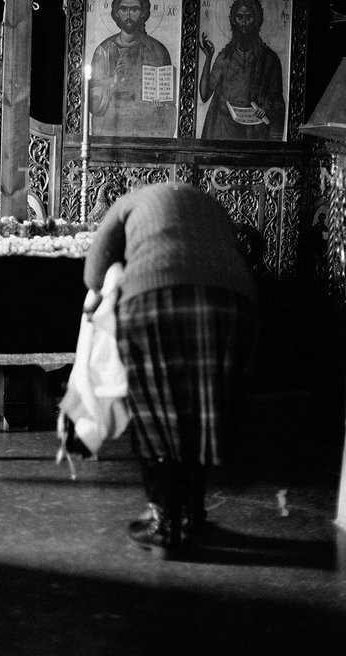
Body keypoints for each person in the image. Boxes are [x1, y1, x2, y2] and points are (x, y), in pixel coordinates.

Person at [83, 182, 258, 559]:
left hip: (154, 295)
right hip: (234, 302)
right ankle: (192, 516)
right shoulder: (211, 204)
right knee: (202, 414)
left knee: (158, 415)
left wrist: (102, 288)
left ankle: (165, 523)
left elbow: (95, 271)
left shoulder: (127, 203)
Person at [90, 0, 176, 137]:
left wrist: (162, 102)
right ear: (116, 12)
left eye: (134, 9)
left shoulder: (157, 50)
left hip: (146, 127)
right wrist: (112, 83)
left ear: (143, 13)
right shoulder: (103, 51)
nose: (128, 14)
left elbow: (169, 103)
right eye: (124, 9)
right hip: (112, 128)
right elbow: (92, 102)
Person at [199, 0, 286, 140]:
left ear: (257, 21)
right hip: (224, 128)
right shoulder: (225, 57)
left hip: (254, 131)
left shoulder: (269, 59)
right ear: (233, 21)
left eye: (249, 17)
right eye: (239, 17)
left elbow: (278, 101)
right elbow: (204, 94)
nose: (244, 23)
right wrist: (208, 58)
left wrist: (266, 109)